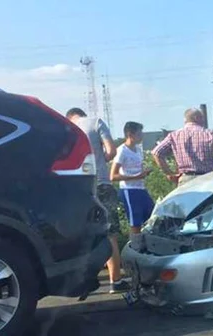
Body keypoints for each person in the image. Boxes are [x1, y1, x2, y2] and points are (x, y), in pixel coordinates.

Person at [66, 107, 130, 294]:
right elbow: (110, 151)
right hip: (101, 183)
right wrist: (100, 158)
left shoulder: (67, 128)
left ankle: (80, 281)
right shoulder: (95, 122)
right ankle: (115, 281)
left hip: (78, 187)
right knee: (110, 233)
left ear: (69, 117)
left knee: (84, 234)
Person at [152, 107, 213, 186]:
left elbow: (156, 153)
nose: (203, 121)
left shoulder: (174, 135)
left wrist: (169, 173)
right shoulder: (209, 133)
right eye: (202, 118)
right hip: (208, 178)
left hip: (186, 179)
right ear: (196, 118)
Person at [110, 122, 154, 235]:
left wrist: (144, 173)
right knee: (135, 222)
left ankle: (146, 242)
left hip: (141, 188)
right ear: (130, 134)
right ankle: (135, 245)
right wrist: (136, 176)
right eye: (139, 134)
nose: (142, 136)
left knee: (151, 215)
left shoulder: (138, 150)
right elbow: (113, 176)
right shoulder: (122, 151)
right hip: (129, 189)